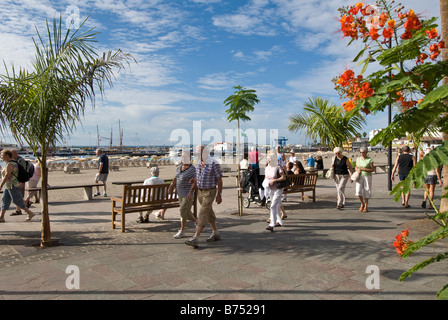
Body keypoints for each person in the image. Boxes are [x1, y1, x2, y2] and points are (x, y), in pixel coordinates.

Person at [185, 145, 223, 248]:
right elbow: (197, 178)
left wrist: (219, 194)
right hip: (200, 192)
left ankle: (196, 238)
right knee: (208, 212)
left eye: (199, 153)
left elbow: (219, 179)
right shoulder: (198, 163)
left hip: (210, 191)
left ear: (205, 152)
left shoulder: (213, 163)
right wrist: (191, 190)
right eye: (196, 153)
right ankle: (216, 233)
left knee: (202, 213)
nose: (197, 155)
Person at [0, 149, 35, 222]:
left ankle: (30, 213)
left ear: (7, 155)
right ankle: (1, 217)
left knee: (17, 200)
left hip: (12, 185)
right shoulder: (12, 162)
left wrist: (1, 185)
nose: (1, 157)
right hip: (8, 185)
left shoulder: (10, 163)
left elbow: (7, 175)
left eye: (2, 155)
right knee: (5, 200)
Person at [169, 151, 197, 239]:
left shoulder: (193, 169)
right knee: (186, 212)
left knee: (182, 211)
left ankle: (182, 230)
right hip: (180, 193)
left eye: (185, 157)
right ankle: (197, 222)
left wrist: (190, 192)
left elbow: (196, 182)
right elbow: (175, 178)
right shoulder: (179, 167)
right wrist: (171, 187)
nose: (183, 159)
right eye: (182, 157)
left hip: (188, 194)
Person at [263, 150, 287, 231]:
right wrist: (265, 184)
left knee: (273, 205)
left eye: (270, 159)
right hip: (270, 189)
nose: (269, 161)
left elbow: (283, 177)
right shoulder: (266, 168)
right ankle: (279, 221)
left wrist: (274, 180)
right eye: (268, 159)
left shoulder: (277, 167)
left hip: (278, 189)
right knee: (275, 205)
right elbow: (265, 178)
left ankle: (271, 224)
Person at [355, 147, 374, 213]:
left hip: (367, 176)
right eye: (360, 152)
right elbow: (356, 166)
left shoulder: (369, 159)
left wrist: (364, 169)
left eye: (363, 152)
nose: (361, 153)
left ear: (366, 152)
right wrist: (357, 170)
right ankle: (362, 203)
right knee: (358, 191)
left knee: (367, 190)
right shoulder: (358, 159)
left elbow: (372, 169)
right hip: (359, 176)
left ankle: (366, 206)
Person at [10, 149, 27, 216]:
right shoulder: (15, 160)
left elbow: (22, 171)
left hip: (20, 181)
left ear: (15, 153)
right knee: (18, 195)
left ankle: (18, 210)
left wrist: (22, 181)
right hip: (16, 181)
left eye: (11, 154)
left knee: (19, 195)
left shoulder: (20, 160)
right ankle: (25, 203)